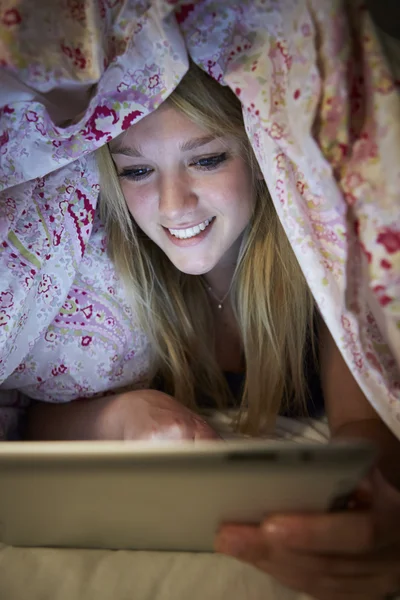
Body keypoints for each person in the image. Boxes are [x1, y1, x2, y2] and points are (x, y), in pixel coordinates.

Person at [25, 64, 400, 599]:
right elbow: (34, 423)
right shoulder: (113, 279)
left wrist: (367, 500)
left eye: (206, 159)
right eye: (136, 171)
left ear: (258, 156)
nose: (174, 204)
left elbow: (365, 426)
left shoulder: (317, 268)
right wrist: (119, 417)